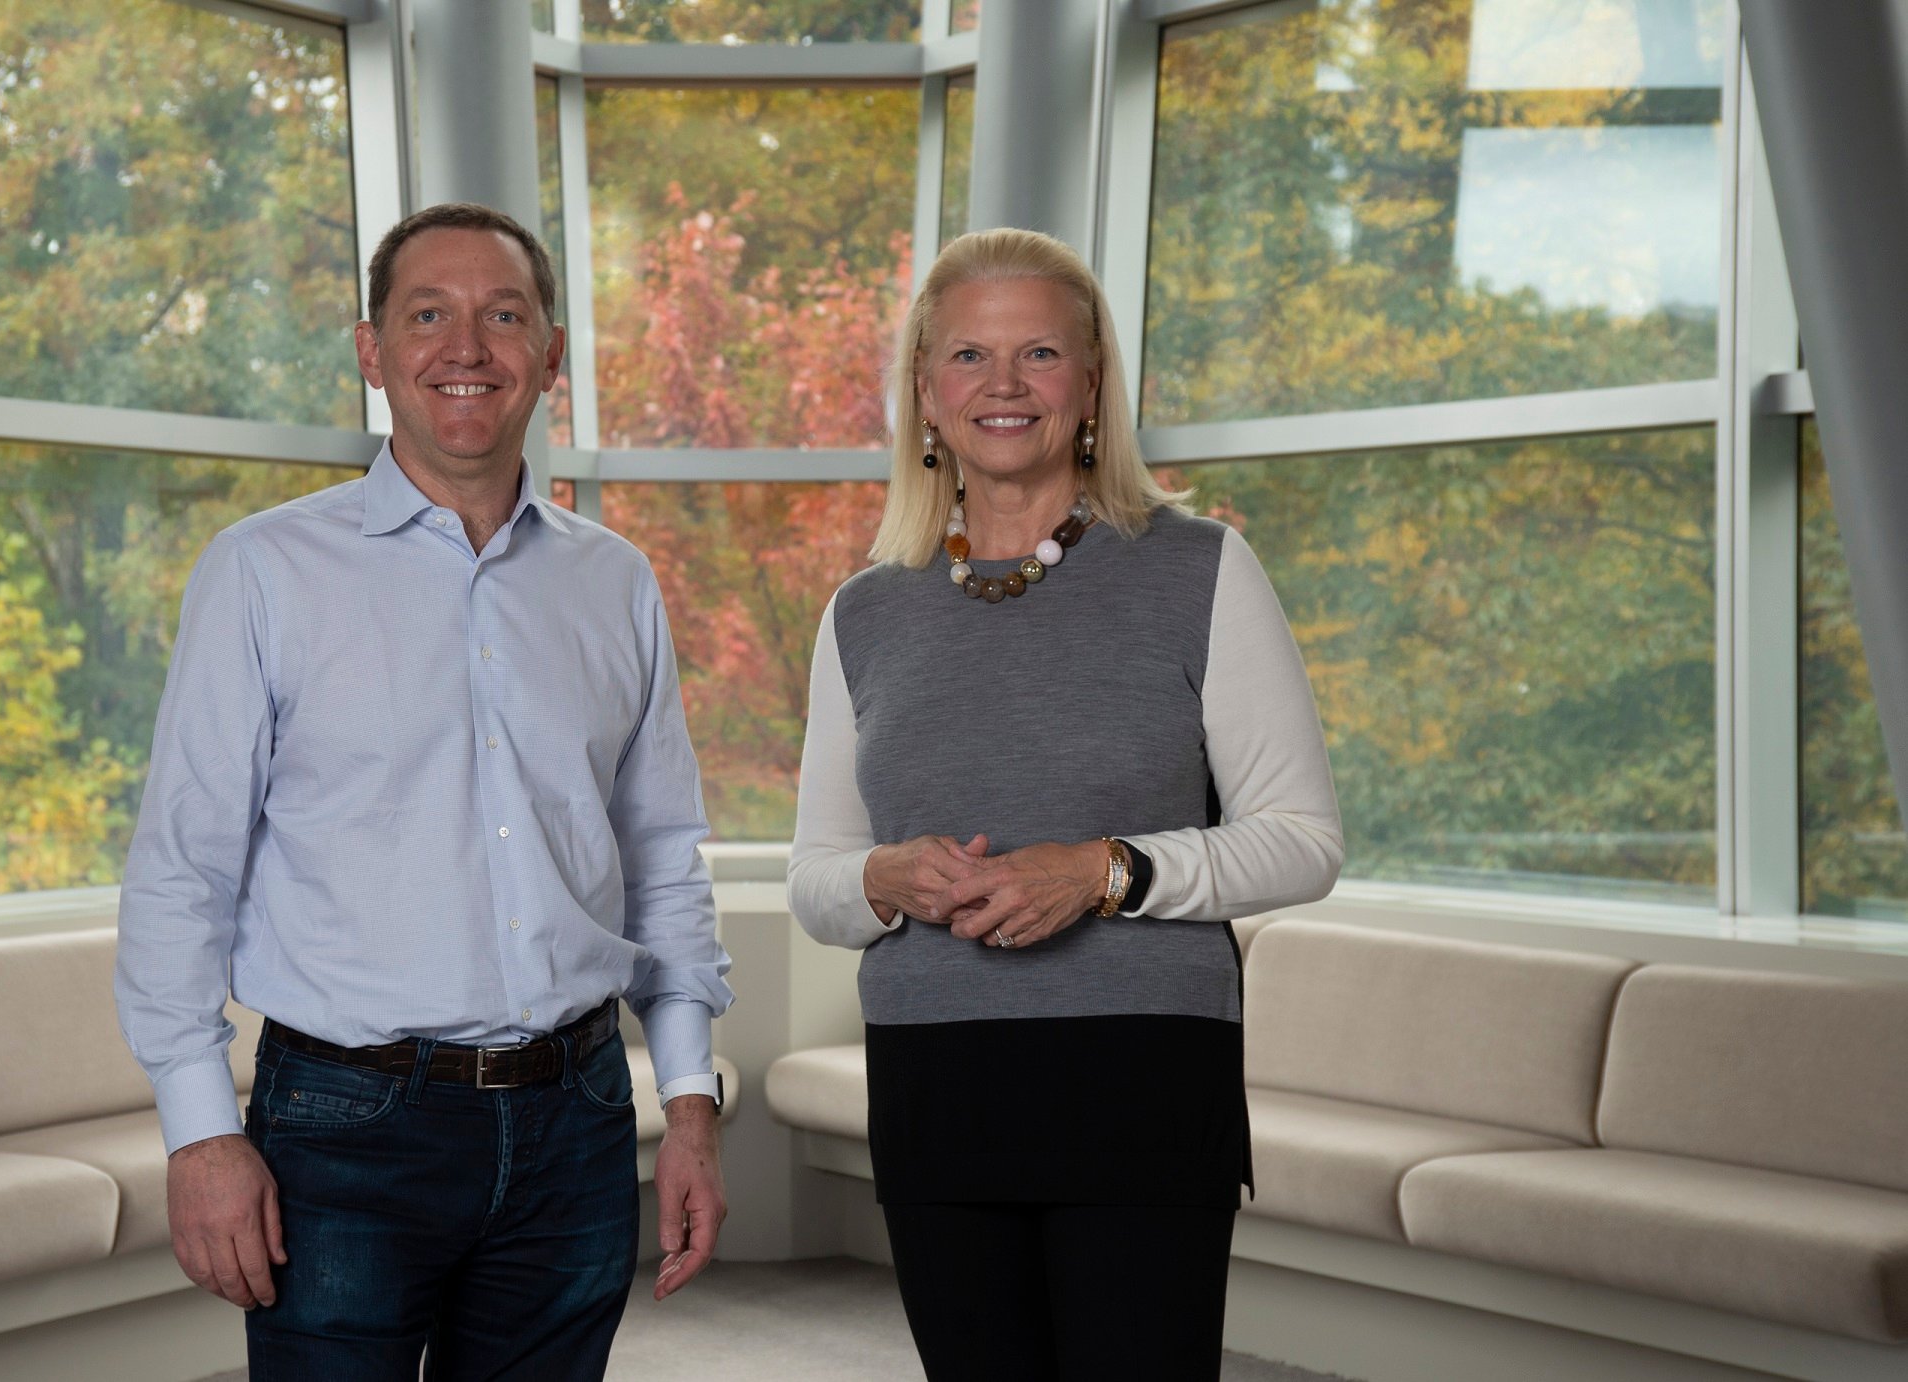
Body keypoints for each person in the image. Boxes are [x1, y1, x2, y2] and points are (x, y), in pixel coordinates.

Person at [114, 202, 733, 1381]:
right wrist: (199, 1127)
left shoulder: (615, 582)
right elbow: (184, 867)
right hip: (344, 1130)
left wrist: (690, 1096)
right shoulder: (263, 571)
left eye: (504, 315)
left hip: (579, 1119)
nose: (468, 347)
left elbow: (659, 857)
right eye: (429, 315)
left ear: (550, 356)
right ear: (371, 350)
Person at [786, 227, 1342, 1381]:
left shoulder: (1201, 567)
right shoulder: (864, 610)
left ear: (1090, 384)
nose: (1003, 385)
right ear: (926, 394)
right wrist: (882, 880)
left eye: (1038, 352)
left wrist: (1105, 871)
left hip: (1139, 1080)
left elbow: (1302, 842)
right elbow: (819, 878)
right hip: (936, 1084)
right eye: (970, 357)